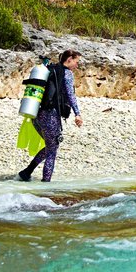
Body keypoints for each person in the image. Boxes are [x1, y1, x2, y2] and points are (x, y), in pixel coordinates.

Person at [19, 49, 84, 182]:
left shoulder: (51, 70)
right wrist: (77, 114)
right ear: (69, 59)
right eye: (77, 62)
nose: (77, 65)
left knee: (51, 145)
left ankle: (26, 172)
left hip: (36, 114)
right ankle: (45, 185)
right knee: (52, 150)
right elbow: (70, 95)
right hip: (50, 116)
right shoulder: (67, 73)